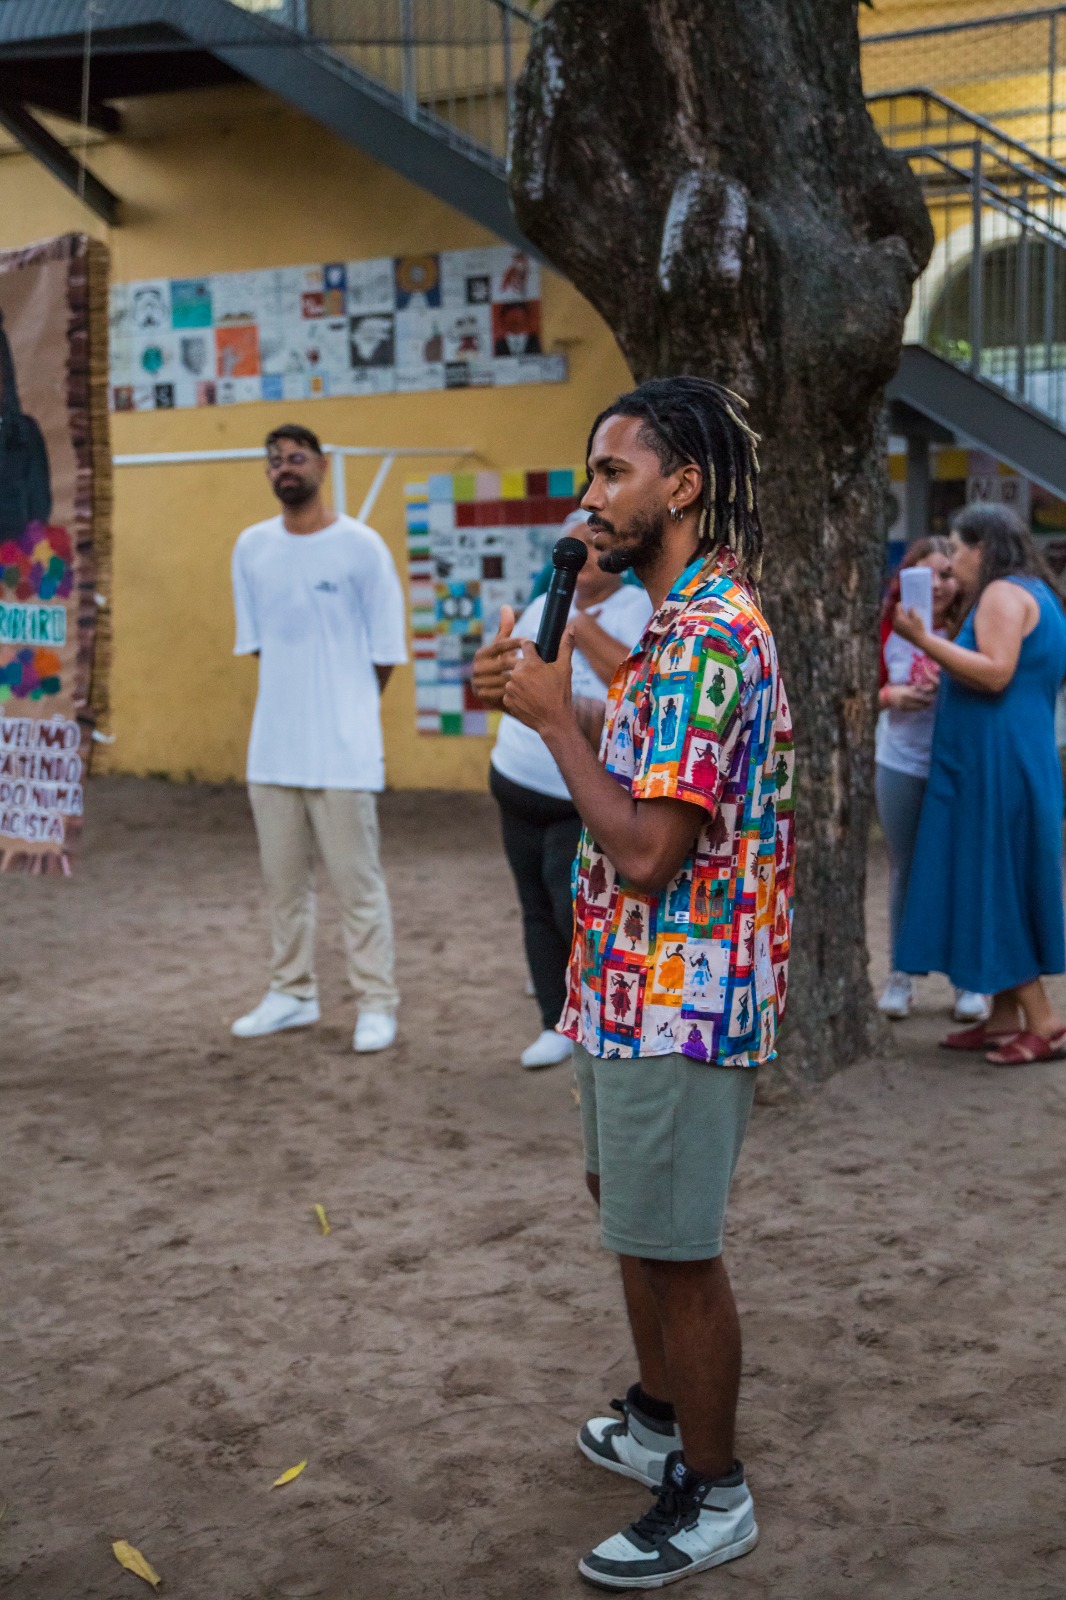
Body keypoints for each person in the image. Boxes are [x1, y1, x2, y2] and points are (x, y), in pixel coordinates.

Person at [501, 377, 794, 1588]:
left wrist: (553, 725)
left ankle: (712, 1493)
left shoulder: (713, 633)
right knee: (627, 1206)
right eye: (589, 473)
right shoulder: (674, 625)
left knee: (676, 1246)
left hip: (685, 993)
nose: (590, 498)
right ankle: (662, 1417)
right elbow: (651, 758)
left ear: (682, 485)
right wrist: (571, 699)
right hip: (625, 984)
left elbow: (647, 852)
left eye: (612, 472)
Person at [229, 423, 407, 1053]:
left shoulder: (362, 548)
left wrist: (345, 709)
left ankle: (377, 1003)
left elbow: (384, 654)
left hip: (344, 752)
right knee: (284, 887)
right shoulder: (251, 547)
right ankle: (291, 993)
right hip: (273, 750)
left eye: (296, 456)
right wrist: (299, 702)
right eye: (274, 460)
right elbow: (262, 647)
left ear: (322, 465)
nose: (285, 467)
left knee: (359, 887)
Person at [471, 509, 652, 1069]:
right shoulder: (539, 605)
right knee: (533, 905)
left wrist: (578, 623)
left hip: (577, 793)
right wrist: (489, 678)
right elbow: (511, 685)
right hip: (515, 779)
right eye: (571, 547)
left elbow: (637, 683)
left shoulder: (640, 608)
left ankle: (587, 1015)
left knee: (566, 903)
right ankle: (553, 1021)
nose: (579, 556)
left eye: (592, 545)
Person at [895, 502, 1066, 1064]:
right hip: (1016, 755)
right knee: (1003, 876)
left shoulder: (1001, 595)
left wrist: (922, 639)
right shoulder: (1037, 593)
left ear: (982, 548)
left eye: (956, 547)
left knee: (996, 882)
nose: (951, 560)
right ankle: (1002, 1018)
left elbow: (996, 672)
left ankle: (1045, 1022)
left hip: (996, 763)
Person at [875, 538, 987, 1024]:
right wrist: (891, 696)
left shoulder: (972, 627)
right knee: (905, 869)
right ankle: (901, 977)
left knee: (962, 868)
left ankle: (968, 983)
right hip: (900, 762)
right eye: (925, 575)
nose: (938, 586)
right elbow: (858, 687)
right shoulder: (888, 626)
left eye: (946, 574)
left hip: (957, 765)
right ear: (905, 578)